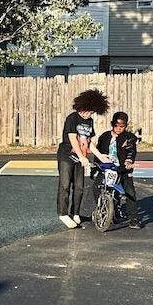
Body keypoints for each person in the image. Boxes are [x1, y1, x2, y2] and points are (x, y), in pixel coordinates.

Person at [56, 88, 109, 229]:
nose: (89, 114)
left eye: (92, 112)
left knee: (79, 187)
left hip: (81, 158)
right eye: (88, 111)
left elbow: (89, 141)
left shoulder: (89, 121)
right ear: (82, 106)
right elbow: (72, 138)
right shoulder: (72, 118)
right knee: (65, 185)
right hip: (66, 156)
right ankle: (63, 213)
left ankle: (75, 213)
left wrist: (99, 156)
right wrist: (81, 156)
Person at [95, 111, 142, 229]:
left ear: (126, 126)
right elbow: (98, 151)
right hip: (106, 168)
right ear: (112, 124)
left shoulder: (129, 137)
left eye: (122, 126)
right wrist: (96, 166)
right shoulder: (104, 136)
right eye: (116, 125)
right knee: (96, 187)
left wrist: (128, 161)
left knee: (129, 192)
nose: (119, 128)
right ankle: (103, 210)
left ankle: (134, 219)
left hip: (122, 169)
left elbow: (131, 150)